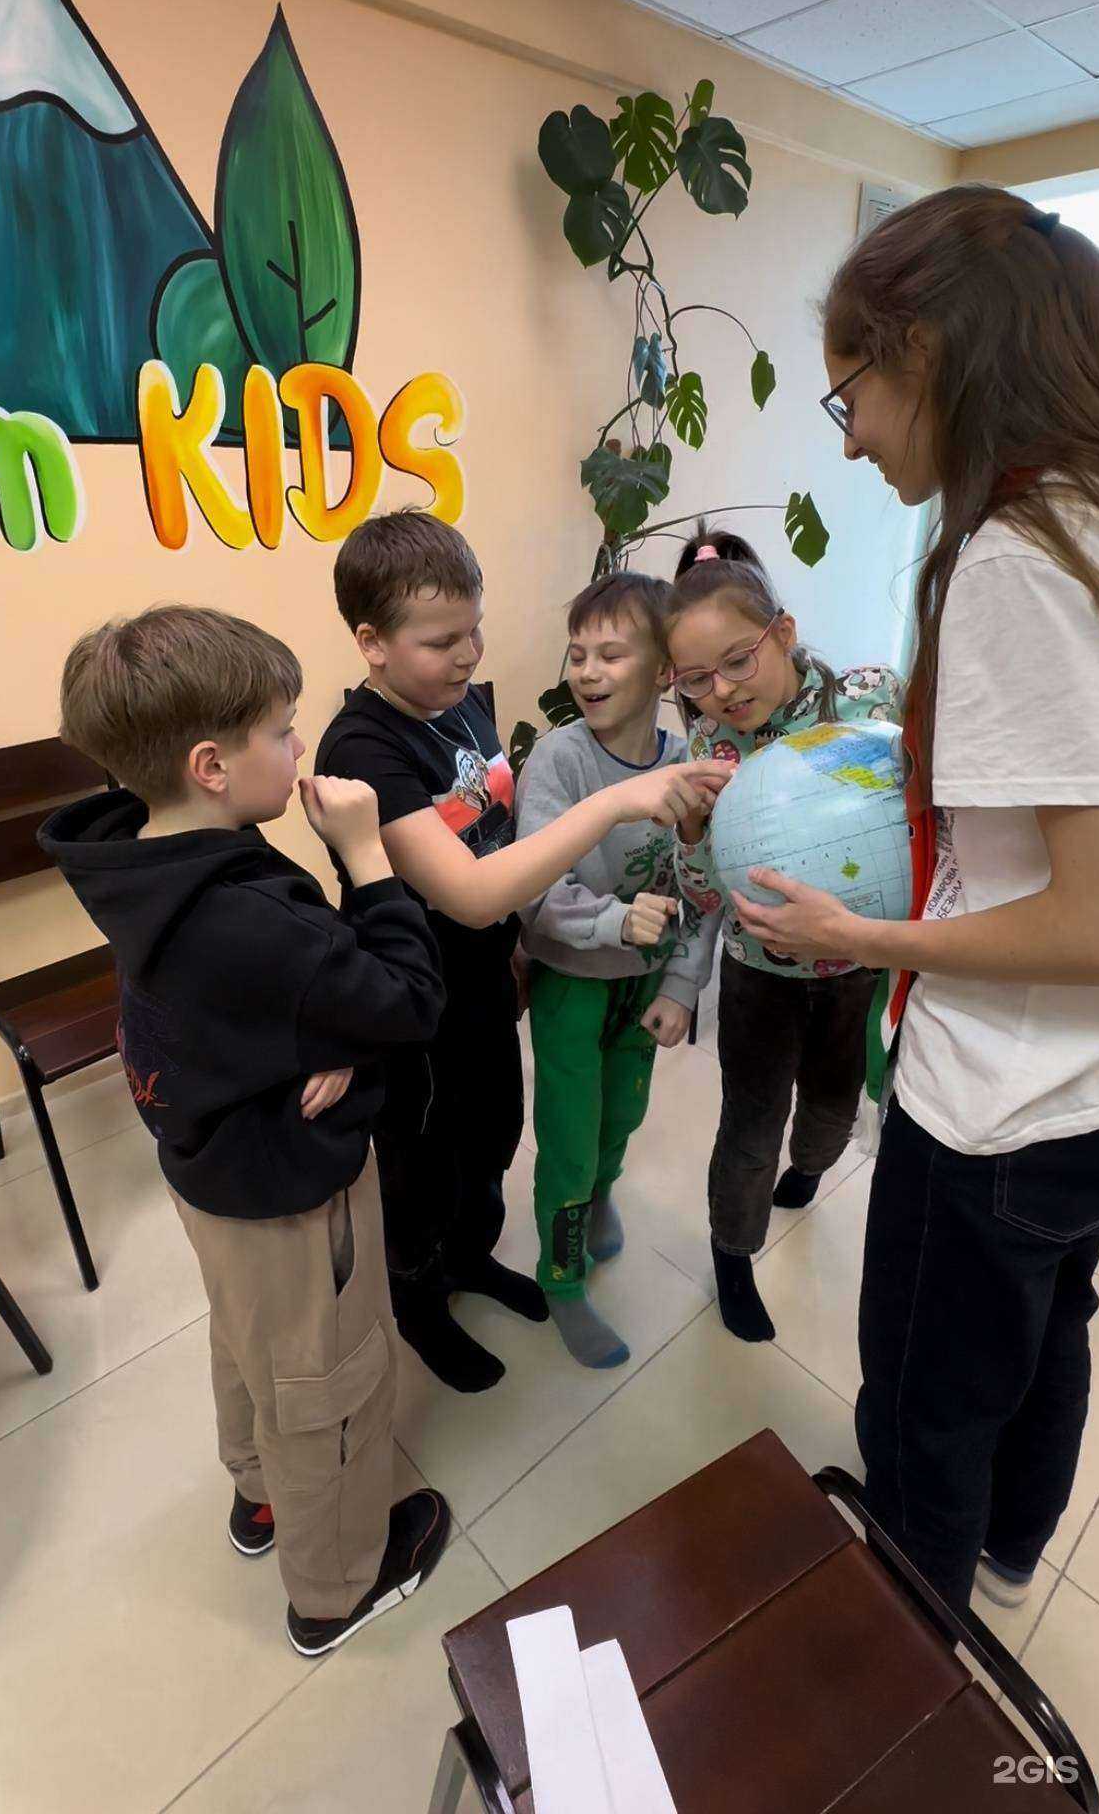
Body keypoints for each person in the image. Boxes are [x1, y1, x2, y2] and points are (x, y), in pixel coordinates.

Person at [729, 185, 1099, 1612]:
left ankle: (907, 1657)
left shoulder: (1016, 557)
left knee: (921, 1409)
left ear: (925, 357)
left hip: (991, 1112)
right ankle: (1012, 1550)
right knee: (1045, 1332)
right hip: (1080, 1111)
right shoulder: (1085, 522)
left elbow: (1085, 920)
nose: (857, 438)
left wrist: (854, 934)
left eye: (850, 400)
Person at [40, 605, 451, 1659]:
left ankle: (261, 1498)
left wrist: (325, 1036)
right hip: (291, 1194)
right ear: (213, 763)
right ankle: (336, 1583)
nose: (302, 744)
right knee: (331, 1378)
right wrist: (365, 859)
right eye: (284, 728)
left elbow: (269, 999)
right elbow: (407, 1000)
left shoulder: (141, 855)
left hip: (210, 1169)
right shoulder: (252, 918)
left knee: (251, 1341)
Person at [315, 513, 721, 1393]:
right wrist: (615, 805)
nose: (467, 657)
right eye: (440, 641)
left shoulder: (454, 703)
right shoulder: (362, 748)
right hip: (413, 1001)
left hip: (486, 981)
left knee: (493, 1131)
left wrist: (524, 954)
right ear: (371, 643)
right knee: (425, 1158)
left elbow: (496, 828)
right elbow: (468, 887)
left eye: (474, 632)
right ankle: (420, 1302)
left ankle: (470, 1258)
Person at [667, 530, 902, 1344]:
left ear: (784, 633)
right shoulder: (705, 748)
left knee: (833, 1111)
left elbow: (928, 830)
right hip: (758, 973)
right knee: (748, 1125)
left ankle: (807, 1173)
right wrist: (694, 824)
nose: (722, 691)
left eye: (738, 660)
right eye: (695, 680)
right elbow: (701, 892)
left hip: (855, 965)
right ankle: (732, 1254)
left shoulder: (872, 702)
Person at [516, 572, 723, 1369]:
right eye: (576, 655)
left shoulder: (691, 763)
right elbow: (531, 885)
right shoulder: (560, 763)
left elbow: (705, 885)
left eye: (610, 654)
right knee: (568, 1140)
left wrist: (678, 985)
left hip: (643, 984)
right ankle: (560, 1280)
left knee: (621, 1116)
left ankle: (601, 1195)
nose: (587, 672)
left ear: (664, 671)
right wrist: (610, 921)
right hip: (571, 983)